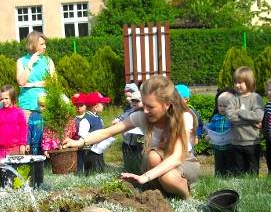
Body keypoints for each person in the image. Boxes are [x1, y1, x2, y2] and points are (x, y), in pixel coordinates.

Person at [62, 75, 199, 199]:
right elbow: (108, 132)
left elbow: (177, 156)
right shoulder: (142, 116)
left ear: (167, 104)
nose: (145, 110)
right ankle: (160, 194)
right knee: (153, 156)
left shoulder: (183, 117)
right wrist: (79, 142)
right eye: (144, 105)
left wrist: (144, 178)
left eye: (150, 107)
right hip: (156, 160)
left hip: (183, 161)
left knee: (168, 178)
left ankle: (185, 195)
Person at [225, 67, 264, 176]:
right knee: (238, 171)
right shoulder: (233, 99)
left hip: (252, 142)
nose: (237, 85)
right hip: (236, 142)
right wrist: (251, 122)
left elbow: (259, 116)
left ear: (249, 82)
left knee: (252, 171)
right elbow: (230, 116)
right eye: (235, 82)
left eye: (240, 82)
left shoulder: (256, 98)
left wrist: (241, 112)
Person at [16, 31, 56, 120]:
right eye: (41, 44)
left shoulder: (48, 61)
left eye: (45, 44)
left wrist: (32, 84)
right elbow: (21, 82)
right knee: (27, 133)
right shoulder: (21, 61)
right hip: (27, 106)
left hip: (45, 105)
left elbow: (53, 83)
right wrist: (30, 63)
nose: (45, 46)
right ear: (32, 45)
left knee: (44, 133)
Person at [79, 92, 113, 174]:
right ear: (95, 106)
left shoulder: (98, 118)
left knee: (100, 170)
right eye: (102, 104)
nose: (103, 106)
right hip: (90, 152)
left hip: (99, 150)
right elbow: (83, 136)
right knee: (92, 172)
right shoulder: (86, 119)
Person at [113, 84, 144, 174]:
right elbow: (117, 121)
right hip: (127, 143)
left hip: (140, 145)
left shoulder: (145, 113)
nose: (134, 103)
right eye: (132, 101)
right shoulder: (129, 111)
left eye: (137, 101)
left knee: (138, 163)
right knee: (128, 164)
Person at [0, 85, 27, 160]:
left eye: (6, 98)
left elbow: (23, 129)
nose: (4, 101)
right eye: (2, 99)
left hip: (15, 148)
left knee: (14, 169)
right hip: (1, 149)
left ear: (12, 98)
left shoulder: (19, 112)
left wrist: (22, 144)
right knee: (2, 170)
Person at [206, 89, 234, 177]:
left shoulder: (232, 118)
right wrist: (208, 135)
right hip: (217, 147)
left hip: (229, 146)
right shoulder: (215, 117)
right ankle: (218, 178)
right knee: (219, 164)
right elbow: (211, 128)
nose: (222, 108)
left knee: (229, 164)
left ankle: (229, 178)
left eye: (225, 106)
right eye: (220, 106)